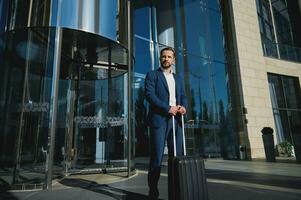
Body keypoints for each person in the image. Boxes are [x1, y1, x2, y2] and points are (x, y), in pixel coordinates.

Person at [145, 47, 187, 200]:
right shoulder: (152, 75)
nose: (166, 59)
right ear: (160, 58)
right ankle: (153, 192)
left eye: (169, 57)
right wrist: (168, 108)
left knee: (176, 157)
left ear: (173, 60)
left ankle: (176, 191)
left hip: (176, 121)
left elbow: (183, 96)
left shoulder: (178, 78)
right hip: (159, 120)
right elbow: (149, 95)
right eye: (164, 56)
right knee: (156, 158)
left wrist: (183, 106)